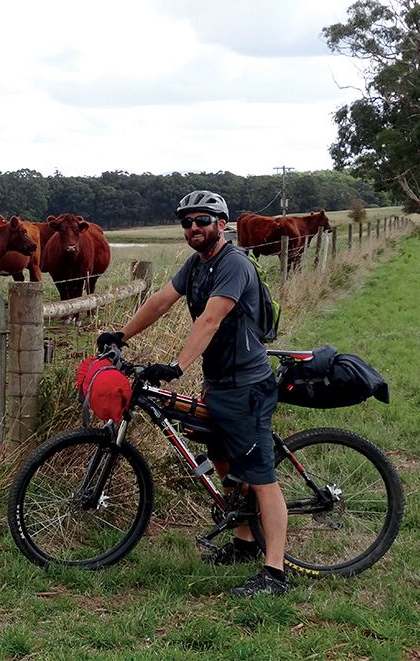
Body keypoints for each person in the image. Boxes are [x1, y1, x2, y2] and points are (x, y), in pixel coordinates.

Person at [96, 190, 289, 597]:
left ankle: (275, 573)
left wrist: (177, 366)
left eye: (202, 220)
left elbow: (211, 319)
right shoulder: (197, 264)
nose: (193, 228)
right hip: (219, 383)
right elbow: (162, 300)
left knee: (260, 476)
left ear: (221, 224)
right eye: (187, 222)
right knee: (221, 458)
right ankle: (244, 542)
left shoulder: (233, 264)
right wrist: (122, 335)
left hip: (248, 386)